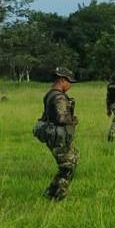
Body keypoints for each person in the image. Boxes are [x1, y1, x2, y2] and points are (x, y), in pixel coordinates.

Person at [32, 67, 79, 201]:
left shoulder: (49, 94)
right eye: (69, 82)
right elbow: (62, 118)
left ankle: (50, 192)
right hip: (58, 137)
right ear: (62, 80)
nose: (70, 86)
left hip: (54, 135)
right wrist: (74, 120)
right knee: (68, 168)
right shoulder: (59, 97)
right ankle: (59, 196)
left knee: (72, 160)